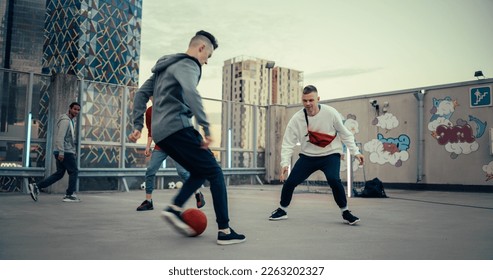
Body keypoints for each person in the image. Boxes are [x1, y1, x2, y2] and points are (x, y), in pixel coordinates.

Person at [129, 30, 245, 245]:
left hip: (161, 135)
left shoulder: (164, 68)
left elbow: (140, 94)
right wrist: (206, 128)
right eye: (208, 56)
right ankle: (224, 230)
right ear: (201, 48)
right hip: (178, 128)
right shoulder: (190, 64)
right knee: (215, 171)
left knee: (201, 170)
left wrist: (138, 125)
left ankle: (174, 208)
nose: (206, 62)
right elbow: (192, 92)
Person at [268, 85, 364, 225]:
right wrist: (284, 163)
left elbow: (344, 133)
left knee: (333, 179)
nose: (308, 104)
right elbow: (288, 142)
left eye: (311, 100)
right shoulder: (297, 119)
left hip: (330, 154)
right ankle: (282, 210)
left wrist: (356, 152)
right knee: (290, 182)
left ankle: (346, 212)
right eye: (305, 100)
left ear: (318, 99)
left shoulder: (331, 113)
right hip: (308, 156)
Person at [137, 102, 206, 211]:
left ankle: (198, 193)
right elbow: (151, 131)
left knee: (182, 172)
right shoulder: (150, 111)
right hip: (161, 145)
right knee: (150, 170)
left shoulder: (170, 105)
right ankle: (148, 201)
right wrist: (147, 146)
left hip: (176, 144)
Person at [28, 102, 81, 202]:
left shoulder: (70, 120)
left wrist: (72, 150)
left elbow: (68, 139)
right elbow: (60, 137)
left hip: (64, 151)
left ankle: (37, 187)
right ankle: (69, 195)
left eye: (78, 110)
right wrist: (61, 152)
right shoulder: (65, 121)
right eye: (75, 109)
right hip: (64, 152)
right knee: (74, 171)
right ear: (70, 108)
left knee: (59, 174)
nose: (76, 111)